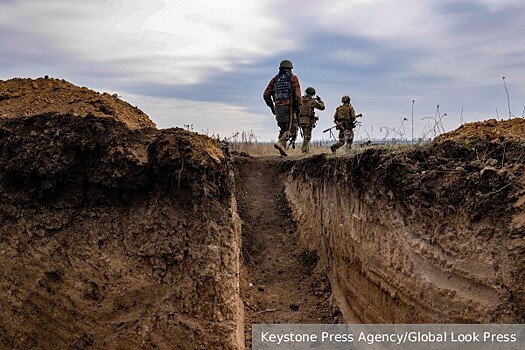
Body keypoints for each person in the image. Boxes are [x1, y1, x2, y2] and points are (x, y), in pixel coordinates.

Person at [263, 59, 302, 156]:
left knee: (283, 128)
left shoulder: (274, 80)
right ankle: (281, 143)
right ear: (290, 69)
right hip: (290, 107)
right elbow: (297, 95)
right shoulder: (293, 78)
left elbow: (266, 94)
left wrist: (272, 106)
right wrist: (299, 107)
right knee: (292, 129)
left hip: (278, 107)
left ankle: (282, 150)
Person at [299, 87, 325, 153]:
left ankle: (306, 150)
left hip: (300, 120)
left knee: (305, 136)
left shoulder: (300, 99)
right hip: (308, 121)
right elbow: (322, 107)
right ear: (313, 93)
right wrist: (320, 100)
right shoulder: (312, 101)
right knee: (307, 137)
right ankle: (304, 151)